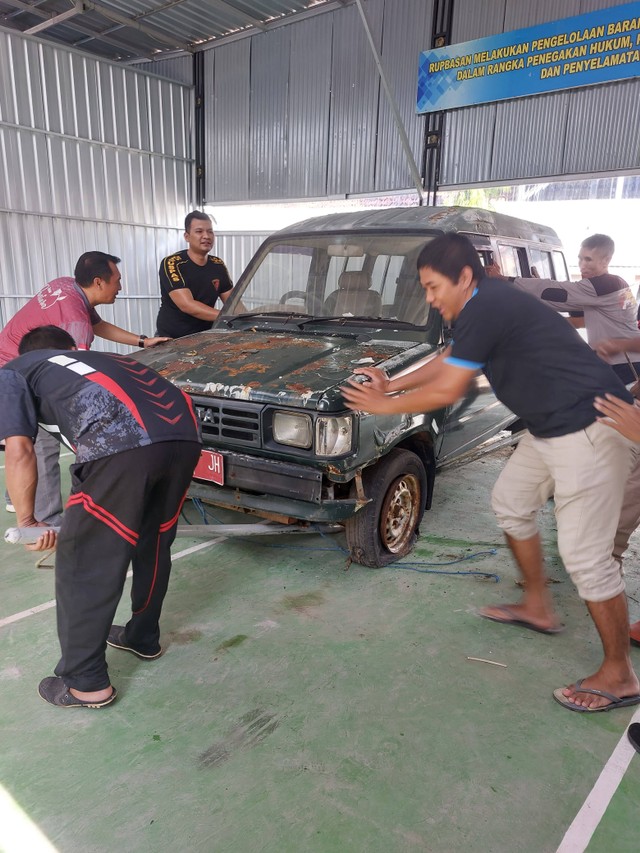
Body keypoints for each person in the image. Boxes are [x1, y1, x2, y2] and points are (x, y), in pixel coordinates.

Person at [341, 232, 640, 713]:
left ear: (464, 278)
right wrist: (391, 382)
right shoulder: (477, 306)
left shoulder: (489, 304)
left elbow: (450, 388)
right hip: (550, 426)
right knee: (511, 503)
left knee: (585, 555)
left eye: (435, 286)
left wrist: (383, 403)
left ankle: (621, 675)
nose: (431, 298)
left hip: (592, 426)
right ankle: (538, 606)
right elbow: (447, 359)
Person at [0, 325, 201, 709]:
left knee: (84, 557)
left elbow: (19, 450)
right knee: (153, 541)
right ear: (70, 348)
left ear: (24, 354)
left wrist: (27, 520)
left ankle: (85, 683)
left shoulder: (14, 371)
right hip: (186, 435)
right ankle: (143, 637)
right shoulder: (100, 360)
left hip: (123, 440)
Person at [0, 252, 169, 524]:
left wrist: (141, 341)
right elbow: (76, 378)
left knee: (22, 439)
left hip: (10, 358)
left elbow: (98, 324)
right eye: (118, 281)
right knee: (42, 442)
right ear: (99, 282)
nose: (121, 288)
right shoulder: (74, 322)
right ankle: (46, 522)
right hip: (18, 373)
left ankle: (15, 497)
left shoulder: (68, 285)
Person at [486, 233, 640, 383]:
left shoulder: (602, 286)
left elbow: (555, 293)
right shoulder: (619, 285)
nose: (582, 266)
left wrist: (503, 279)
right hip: (624, 362)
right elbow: (578, 315)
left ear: (606, 260)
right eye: (580, 259)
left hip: (623, 364)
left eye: (588, 260)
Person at [155, 210, 234, 338]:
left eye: (210, 231)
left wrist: (250, 321)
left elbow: (233, 302)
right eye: (199, 231)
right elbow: (187, 305)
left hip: (204, 336)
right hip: (171, 339)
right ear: (187, 236)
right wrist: (229, 317)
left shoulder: (217, 264)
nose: (206, 236)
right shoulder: (173, 263)